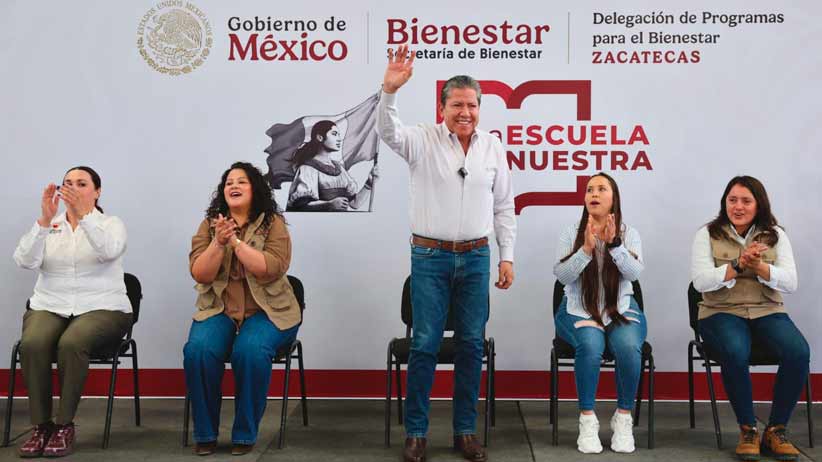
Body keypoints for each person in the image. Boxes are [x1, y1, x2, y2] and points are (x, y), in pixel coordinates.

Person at [377, 44, 516, 462]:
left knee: (471, 345)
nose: (465, 112)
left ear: (480, 109)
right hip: (430, 258)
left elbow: (504, 206)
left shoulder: (493, 147)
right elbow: (388, 132)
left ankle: (464, 432)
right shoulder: (422, 139)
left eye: (472, 105)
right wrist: (389, 90)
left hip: (477, 258)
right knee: (424, 344)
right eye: (457, 104)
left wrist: (506, 255)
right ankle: (417, 433)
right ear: (442, 108)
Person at [183, 161, 301, 456]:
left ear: (255, 188)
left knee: (249, 351)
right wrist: (217, 243)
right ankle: (206, 434)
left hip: (269, 312)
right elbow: (200, 273)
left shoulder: (273, 223)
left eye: (241, 181)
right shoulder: (209, 225)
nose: (233, 186)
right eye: (228, 183)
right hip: (220, 310)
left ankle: (245, 434)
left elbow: (269, 268)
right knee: (198, 350)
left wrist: (234, 242)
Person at [13, 166, 132, 458]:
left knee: (72, 342)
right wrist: (43, 221)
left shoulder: (111, 224)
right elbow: (25, 260)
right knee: (32, 343)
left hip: (103, 307)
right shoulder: (50, 225)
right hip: (51, 305)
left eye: (81, 183)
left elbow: (108, 251)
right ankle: (42, 426)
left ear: (97, 191)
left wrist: (84, 216)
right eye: (68, 183)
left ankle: (64, 425)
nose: (73, 188)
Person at [691, 175, 808, 461]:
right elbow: (700, 282)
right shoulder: (707, 234)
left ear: (759, 204)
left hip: (767, 310)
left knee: (798, 352)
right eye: (732, 200)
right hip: (721, 312)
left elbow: (791, 283)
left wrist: (760, 267)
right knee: (735, 350)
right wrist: (737, 264)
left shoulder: (775, 235)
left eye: (746, 201)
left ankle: (776, 430)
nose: (738, 206)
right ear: (724, 203)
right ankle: (748, 430)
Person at [553, 173, 645, 454]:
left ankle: (623, 418)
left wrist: (615, 245)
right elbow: (563, 276)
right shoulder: (571, 232)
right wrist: (585, 250)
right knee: (591, 345)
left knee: (628, 347)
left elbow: (634, 273)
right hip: (577, 308)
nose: (594, 193)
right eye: (590, 189)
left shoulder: (629, 233)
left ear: (613, 198)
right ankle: (587, 420)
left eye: (601, 189)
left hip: (621, 307)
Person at [286, 119, 379, 211]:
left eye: (339, 135)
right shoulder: (308, 168)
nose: (339, 139)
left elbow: (354, 204)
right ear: (320, 137)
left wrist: (368, 184)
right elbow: (300, 206)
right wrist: (328, 204)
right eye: (334, 134)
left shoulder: (339, 169)